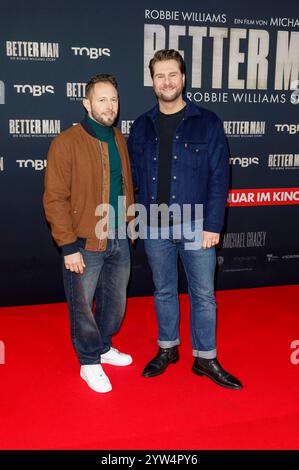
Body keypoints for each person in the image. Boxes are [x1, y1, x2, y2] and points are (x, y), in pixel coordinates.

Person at [127, 50, 242, 390]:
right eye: (160, 76)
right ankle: (168, 349)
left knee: (203, 294)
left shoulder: (208, 122)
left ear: (183, 78)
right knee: (163, 291)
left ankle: (205, 357)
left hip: (196, 222)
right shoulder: (141, 125)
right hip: (154, 223)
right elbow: (133, 177)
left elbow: (220, 177)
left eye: (172, 74)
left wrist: (213, 225)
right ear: (152, 82)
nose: (167, 82)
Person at [43, 74, 134, 393]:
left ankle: (104, 347)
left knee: (115, 302)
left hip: (119, 237)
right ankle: (88, 362)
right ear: (86, 103)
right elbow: (54, 198)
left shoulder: (118, 138)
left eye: (114, 99)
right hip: (84, 240)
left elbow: (123, 187)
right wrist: (68, 246)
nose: (110, 106)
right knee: (82, 305)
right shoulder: (65, 143)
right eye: (102, 99)